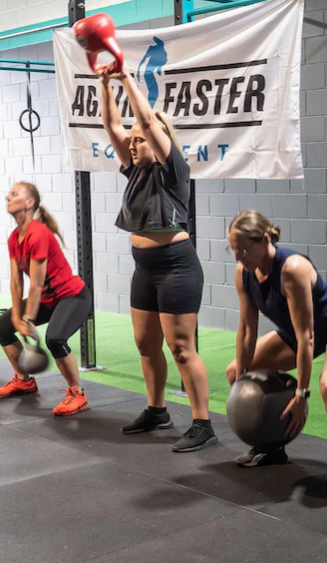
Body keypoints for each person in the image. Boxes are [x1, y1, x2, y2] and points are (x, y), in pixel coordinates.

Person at [97, 61, 215, 452]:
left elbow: (145, 121)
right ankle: (157, 409)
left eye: (141, 139)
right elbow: (112, 127)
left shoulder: (174, 171)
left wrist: (126, 77)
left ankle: (202, 423)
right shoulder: (134, 172)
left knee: (181, 347)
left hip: (177, 266)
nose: (133, 142)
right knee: (145, 344)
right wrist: (103, 83)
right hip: (143, 269)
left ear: (161, 139)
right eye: (133, 141)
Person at [224, 210, 327, 501]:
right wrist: (241, 382)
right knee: (235, 371)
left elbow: (307, 337)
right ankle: (271, 445)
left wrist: (301, 395)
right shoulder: (245, 273)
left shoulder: (292, 268)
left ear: (264, 239)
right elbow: (246, 332)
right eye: (233, 249)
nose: (239, 256)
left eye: (243, 248)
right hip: (296, 335)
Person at [0, 182, 93, 416]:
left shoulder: (38, 233)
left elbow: (36, 283)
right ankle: (24, 381)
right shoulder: (14, 237)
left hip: (72, 296)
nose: (8, 196)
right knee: (3, 327)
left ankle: (77, 393)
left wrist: (26, 320)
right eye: (9, 193)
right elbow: (16, 283)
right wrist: (16, 318)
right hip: (48, 299)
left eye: (14, 194)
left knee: (55, 338)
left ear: (30, 203)